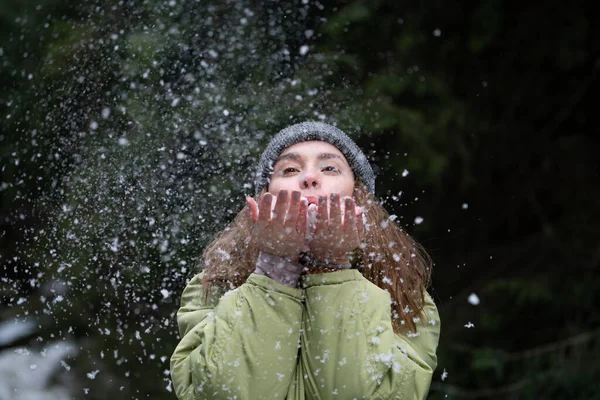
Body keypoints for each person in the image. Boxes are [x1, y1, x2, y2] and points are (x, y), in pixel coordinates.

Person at [170, 121, 440, 400]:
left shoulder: (405, 293)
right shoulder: (213, 284)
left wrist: (331, 265)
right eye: (289, 170)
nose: (309, 178)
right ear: (265, 198)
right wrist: (275, 268)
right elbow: (224, 394)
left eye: (330, 168)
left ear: (359, 197)